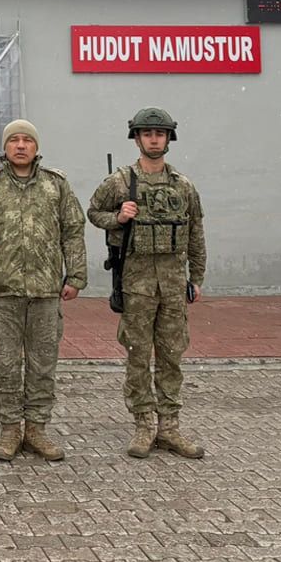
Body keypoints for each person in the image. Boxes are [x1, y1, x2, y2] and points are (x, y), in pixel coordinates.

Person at [0, 119, 87, 462]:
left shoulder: (55, 184)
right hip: (2, 292)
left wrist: (75, 275)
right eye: (13, 140)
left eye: (26, 140)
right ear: (4, 147)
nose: (20, 145)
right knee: (4, 364)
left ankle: (36, 429)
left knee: (42, 364)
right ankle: (9, 429)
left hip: (45, 292)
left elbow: (73, 230)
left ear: (36, 146)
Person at [87, 107, 206, 460]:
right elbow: (93, 213)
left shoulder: (183, 185)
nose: (154, 139)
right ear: (137, 138)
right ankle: (143, 425)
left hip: (173, 285)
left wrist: (197, 277)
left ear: (169, 138)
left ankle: (169, 427)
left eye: (160, 133)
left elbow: (196, 233)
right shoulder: (120, 182)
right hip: (137, 284)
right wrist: (118, 217)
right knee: (138, 356)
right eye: (147, 133)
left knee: (171, 357)